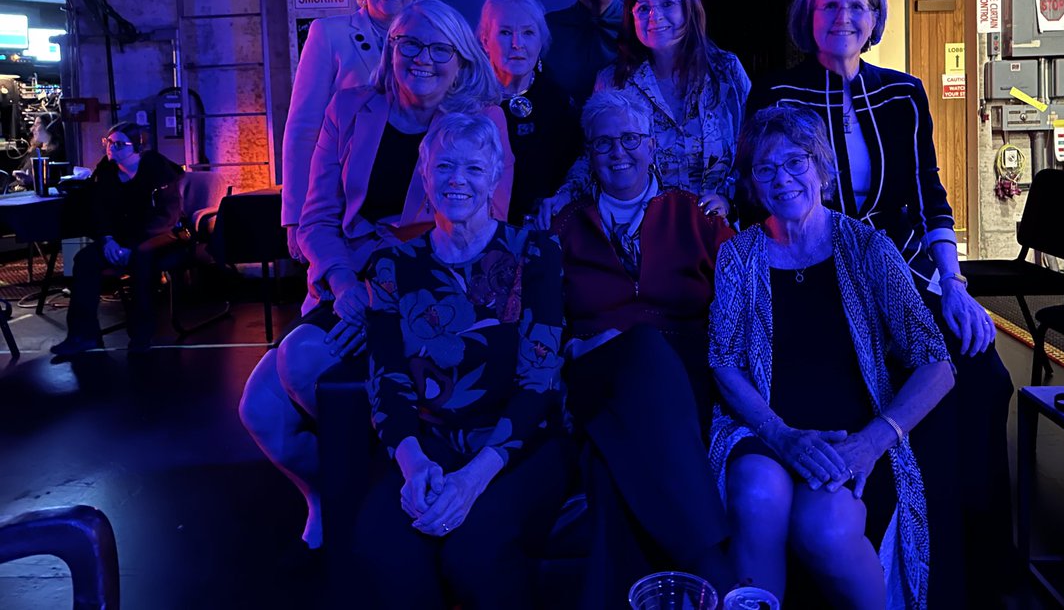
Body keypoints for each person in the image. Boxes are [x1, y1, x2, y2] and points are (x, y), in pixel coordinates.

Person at [746, 0, 1014, 606]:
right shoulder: (776, 93)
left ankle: (965, 568)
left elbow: (930, 197)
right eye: (830, 7)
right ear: (808, 18)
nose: (843, 18)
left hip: (902, 274)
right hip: (814, 275)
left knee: (980, 371)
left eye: (857, 8)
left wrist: (953, 284)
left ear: (874, 22)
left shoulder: (904, 93)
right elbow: (755, 189)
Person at [239, 0, 512, 551]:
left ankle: (395, 480)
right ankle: (332, 491)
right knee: (260, 410)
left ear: (461, 60)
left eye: (441, 49)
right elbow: (317, 216)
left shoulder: (480, 121)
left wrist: (378, 294)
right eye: (410, 43)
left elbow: (483, 228)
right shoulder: (351, 107)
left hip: (430, 286)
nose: (423, 58)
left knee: (304, 361)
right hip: (348, 277)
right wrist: (342, 284)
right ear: (391, 49)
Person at [710, 106, 953, 609]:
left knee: (824, 526)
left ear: (821, 167)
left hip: (853, 436)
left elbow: (937, 365)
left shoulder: (867, 247)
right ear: (752, 183)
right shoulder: (738, 256)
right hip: (764, 428)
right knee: (757, 494)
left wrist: (871, 442)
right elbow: (726, 363)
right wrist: (779, 435)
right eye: (765, 168)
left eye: (795, 162)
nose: (782, 178)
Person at [352, 112, 570, 609]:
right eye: (445, 167)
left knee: (475, 554)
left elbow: (538, 385)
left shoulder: (535, 254)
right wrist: (413, 465)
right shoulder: (393, 264)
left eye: (473, 169)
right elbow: (386, 378)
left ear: (494, 177)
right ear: (425, 173)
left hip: (519, 448)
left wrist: (472, 481)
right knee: (386, 550)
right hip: (427, 445)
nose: (457, 181)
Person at [552, 90, 734, 609]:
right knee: (641, 349)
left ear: (652, 147)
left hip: (685, 385)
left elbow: (743, 305)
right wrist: (579, 347)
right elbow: (541, 327)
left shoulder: (696, 217)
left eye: (630, 138)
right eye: (603, 142)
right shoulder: (564, 228)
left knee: (610, 469)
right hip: (594, 375)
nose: (618, 151)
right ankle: (715, 575)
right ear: (589, 153)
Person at [540, 0, 750, 226]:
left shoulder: (726, 71)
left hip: (718, 229)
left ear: (689, 8)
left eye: (667, 4)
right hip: (643, 232)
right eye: (643, 8)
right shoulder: (613, 81)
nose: (655, 16)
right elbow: (593, 154)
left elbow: (752, 150)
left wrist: (732, 202)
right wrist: (564, 195)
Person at [280, 0, 431, 262]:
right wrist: (295, 216)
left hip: (417, 207)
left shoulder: (433, 39)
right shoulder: (328, 34)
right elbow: (303, 127)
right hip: (343, 205)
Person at [49, 122, 185, 357]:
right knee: (84, 260)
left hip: (155, 236)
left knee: (142, 260)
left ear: (138, 147)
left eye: (120, 144)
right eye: (109, 143)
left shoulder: (158, 171)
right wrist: (108, 239)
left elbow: (167, 216)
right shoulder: (107, 171)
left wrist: (131, 245)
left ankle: (142, 335)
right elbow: (99, 209)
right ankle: (83, 335)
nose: (112, 149)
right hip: (118, 239)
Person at [476, 0, 581, 224]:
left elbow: (575, 165)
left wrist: (559, 199)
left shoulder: (558, 100)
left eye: (528, 33)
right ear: (485, 40)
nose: (517, 44)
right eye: (505, 33)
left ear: (540, 40)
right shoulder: (467, 102)